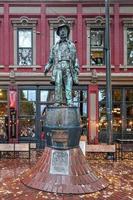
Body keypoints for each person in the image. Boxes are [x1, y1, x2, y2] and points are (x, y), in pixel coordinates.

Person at [44, 23, 79, 106]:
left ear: (67, 32)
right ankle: (58, 101)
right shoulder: (55, 47)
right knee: (58, 85)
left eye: (64, 30)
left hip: (68, 67)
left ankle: (69, 101)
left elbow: (75, 58)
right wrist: (47, 68)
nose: (63, 32)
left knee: (68, 85)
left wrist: (76, 68)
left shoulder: (71, 45)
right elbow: (51, 60)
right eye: (61, 31)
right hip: (58, 67)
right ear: (58, 33)